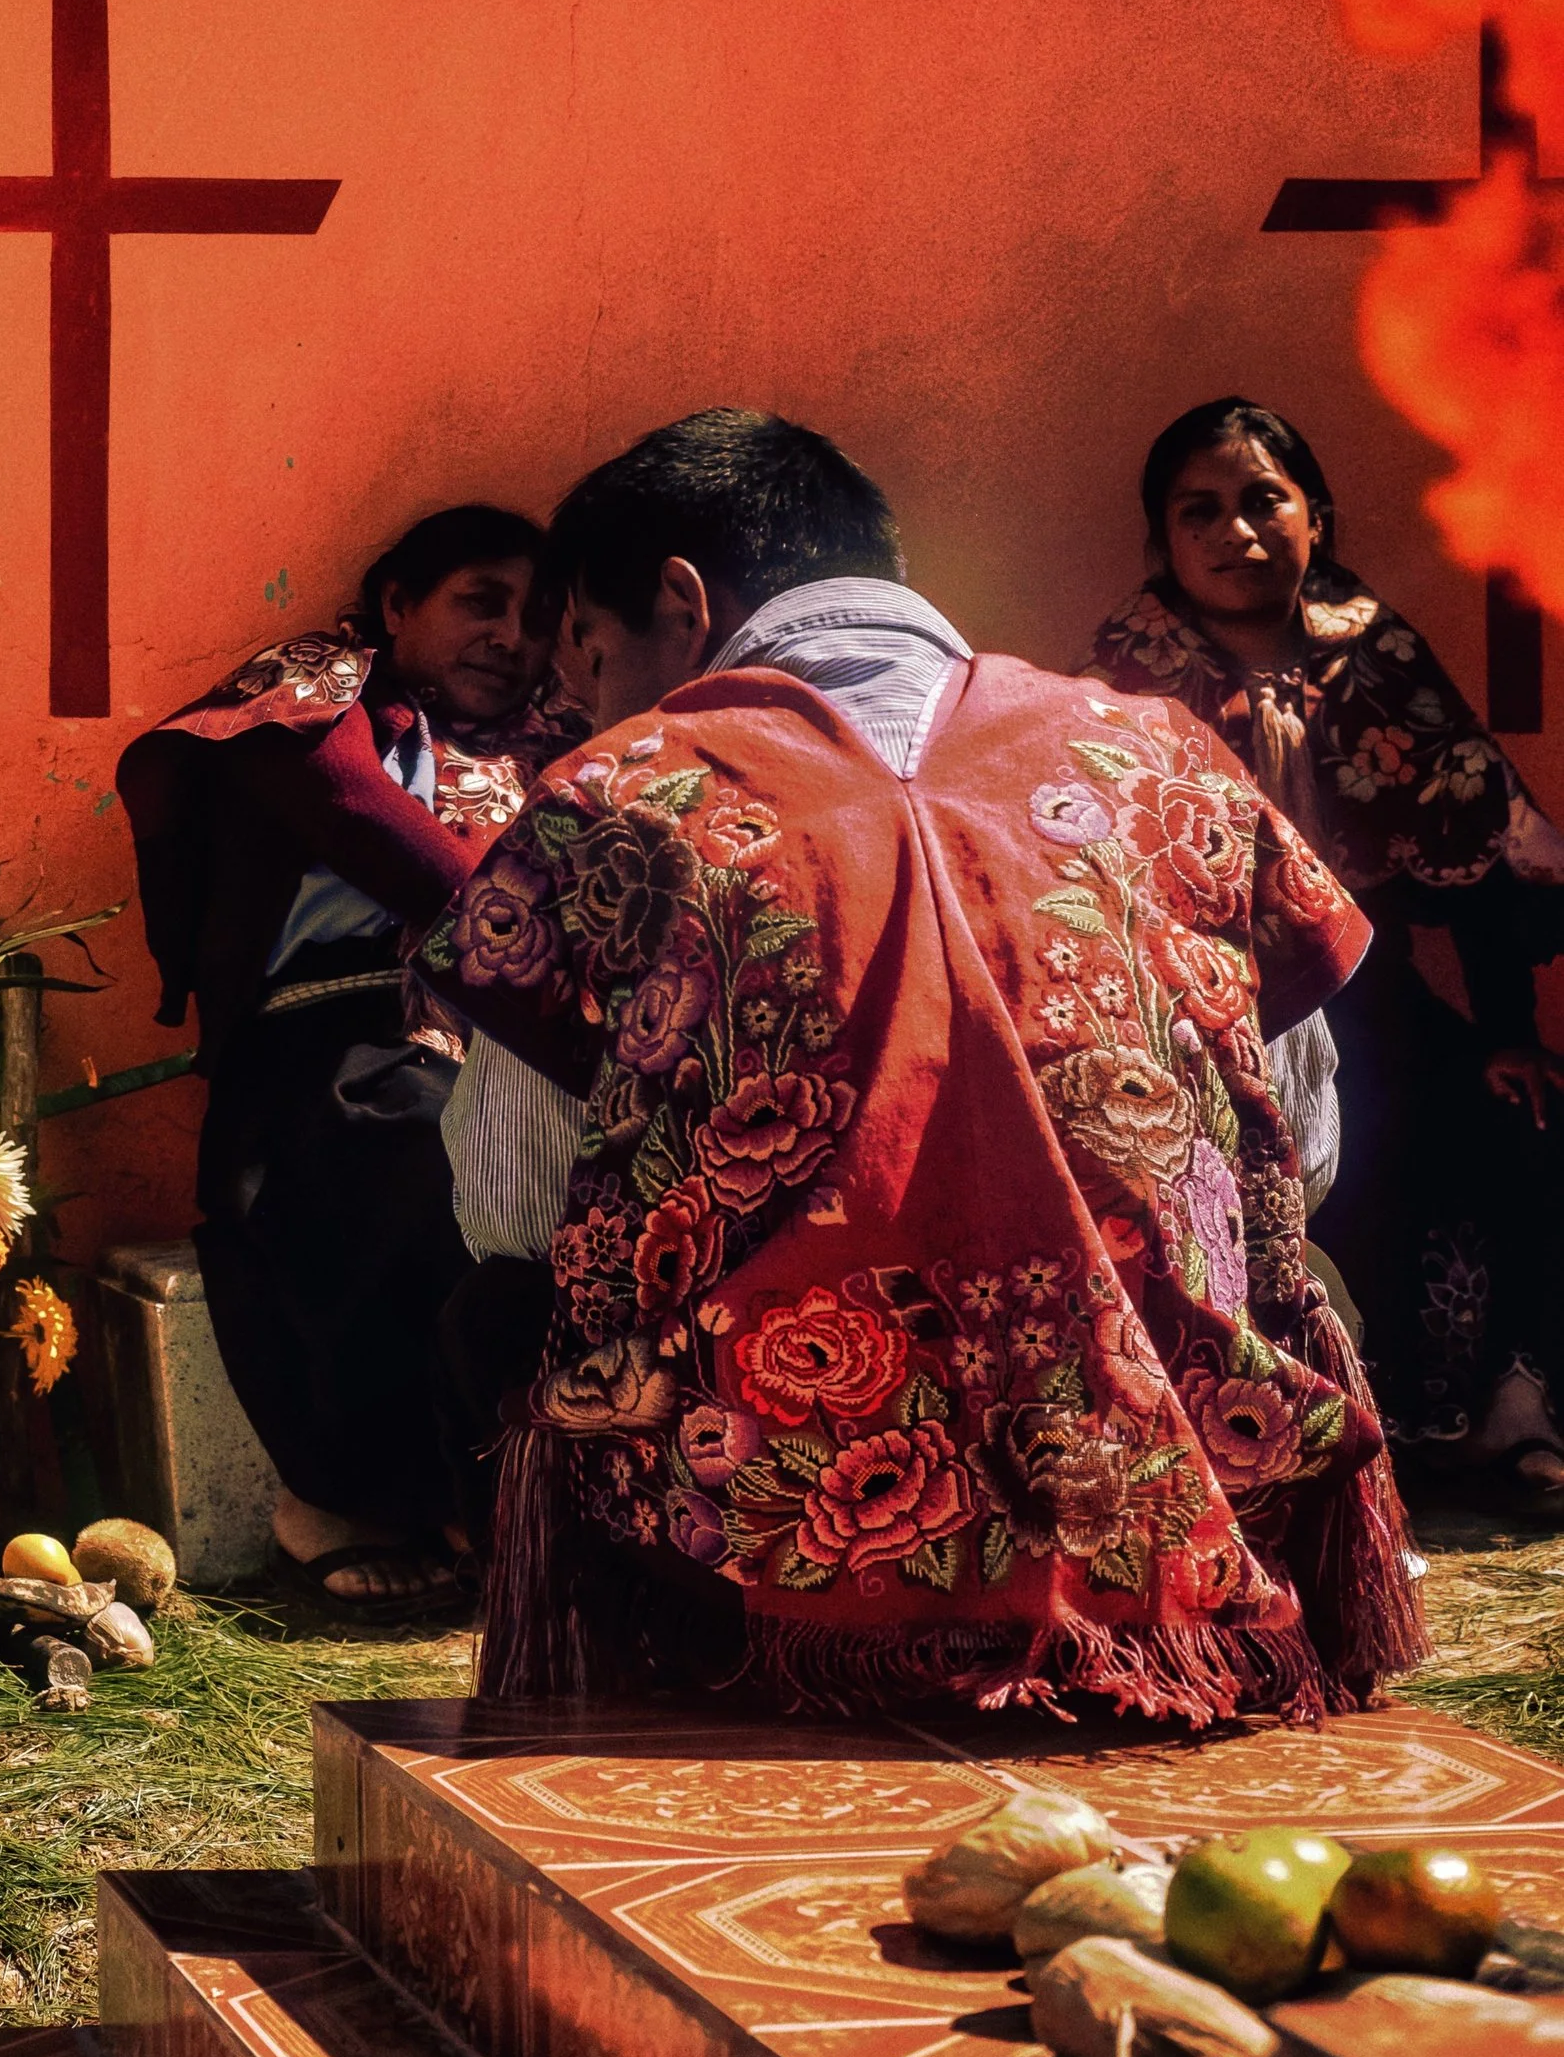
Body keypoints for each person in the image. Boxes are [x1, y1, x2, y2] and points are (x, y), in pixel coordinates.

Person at [415, 408, 1424, 1717]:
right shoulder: (1173, 764)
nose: (596, 711)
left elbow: (510, 1202)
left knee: (497, 1314)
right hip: (1170, 1562)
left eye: (594, 662)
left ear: (681, 601)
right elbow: (1306, 1150)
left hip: (762, 1590)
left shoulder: (616, 799)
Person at [1092, 399, 1564, 1494]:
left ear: (1318, 516)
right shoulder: (1124, 679)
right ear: (1162, 541)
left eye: (1265, 500)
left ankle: (1501, 1412)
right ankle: (1304, 1451)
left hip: (1370, 999)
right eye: (1198, 511)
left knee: (1522, 1119)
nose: (1237, 532)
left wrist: (1505, 1032)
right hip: (1203, 1014)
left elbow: (1484, 845)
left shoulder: (1378, 654)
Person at [118, 505, 582, 1603]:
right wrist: (537, 953)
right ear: (395, 604)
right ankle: (345, 1499)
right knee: (413, 1147)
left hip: (506, 1045)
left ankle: (479, 1509)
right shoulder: (315, 696)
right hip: (328, 1036)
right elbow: (362, 820)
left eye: (537, 617)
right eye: (481, 600)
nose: (512, 636)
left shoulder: (564, 738)